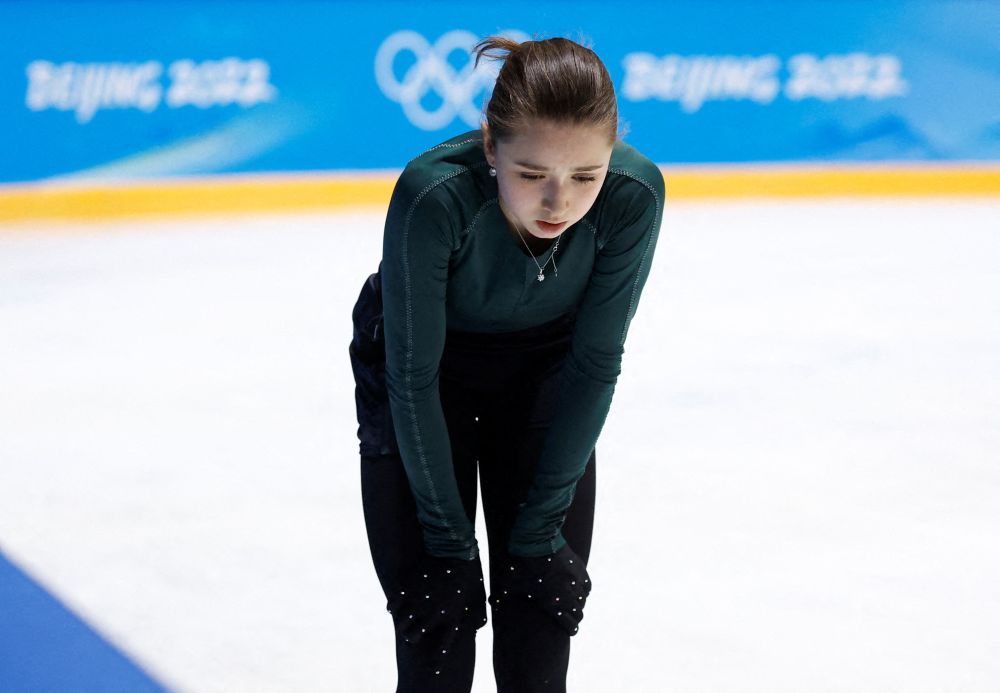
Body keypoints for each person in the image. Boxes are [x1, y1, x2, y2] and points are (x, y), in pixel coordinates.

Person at [350, 35, 664, 693]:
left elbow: (596, 360)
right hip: (421, 381)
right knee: (437, 632)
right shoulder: (435, 197)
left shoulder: (633, 195)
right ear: (491, 146)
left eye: (585, 176)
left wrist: (539, 533)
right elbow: (412, 375)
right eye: (531, 175)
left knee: (538, 620)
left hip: (544, 374)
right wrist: (449, 544)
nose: (559, 203)